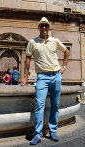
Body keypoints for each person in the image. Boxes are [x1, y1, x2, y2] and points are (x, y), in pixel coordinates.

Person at [21, 17, 70, 145]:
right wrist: (25, 77)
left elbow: (66, 51)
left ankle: (53, 131)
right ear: (38, 27)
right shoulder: (32, 42)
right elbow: (27, 60)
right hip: (42, 77)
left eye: (46, 26)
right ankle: (38, 133)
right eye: (42, 26)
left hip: (56, 76)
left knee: (55, 105)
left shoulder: (55, 41)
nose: (44, 28)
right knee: (39, 104)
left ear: (49, 28)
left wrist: (63, 67)